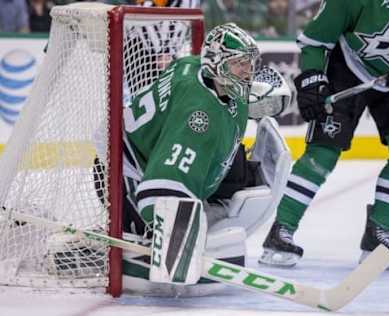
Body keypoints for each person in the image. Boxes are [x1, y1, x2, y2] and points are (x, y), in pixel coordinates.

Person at [93, 23, 292, 295]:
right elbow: (163, 184)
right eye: (239, 64)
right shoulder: (199, 118)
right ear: (215, 65)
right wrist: (171, 239)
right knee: (158, 227)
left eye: (250, 63)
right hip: (120, 173)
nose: (248, 71)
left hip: (139, 145)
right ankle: (119, 246)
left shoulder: (193, 65)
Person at [259, 0, 389, 270]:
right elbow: (315, 40)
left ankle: (378, 234)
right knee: (323, 152)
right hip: (344, 68)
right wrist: (313, 80)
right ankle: (281, 230)